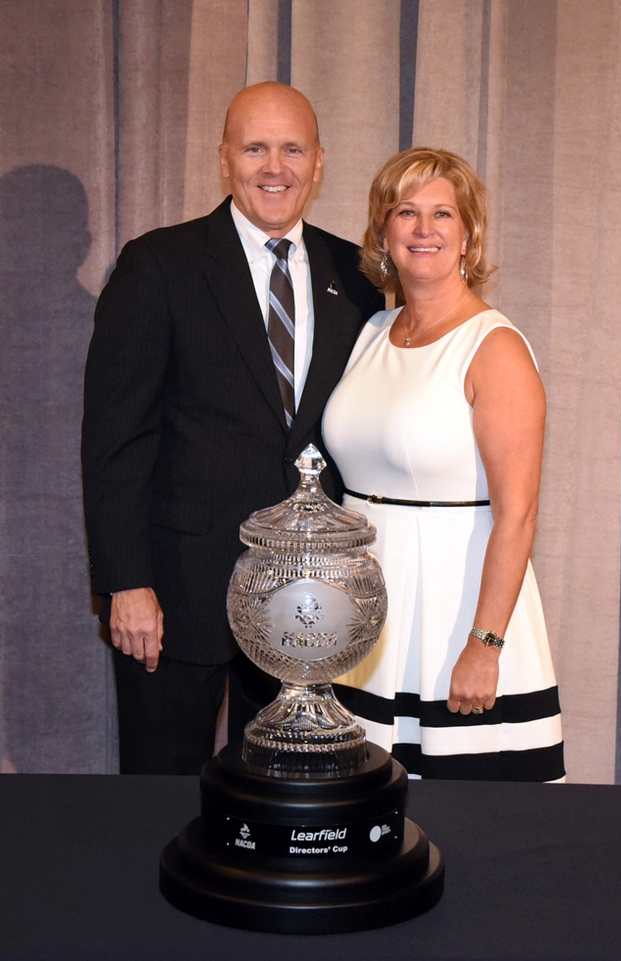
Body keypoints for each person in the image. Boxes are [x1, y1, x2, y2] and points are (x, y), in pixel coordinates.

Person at [82, 82, 382, 774]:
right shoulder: (158, 265)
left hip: (307, 599)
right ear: (224, 160)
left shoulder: (358, 276)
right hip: (179, 590)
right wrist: (126, 580)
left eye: (291, 149)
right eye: (254, 148)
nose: (273, 167)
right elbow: (114, 441)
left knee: (282, 794)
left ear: (319, 162)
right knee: (160, 792)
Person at [322, 147, 564, 781]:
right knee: (365, 819)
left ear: (467, 236)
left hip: (456, 613)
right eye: (406, 212)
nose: (423, 230)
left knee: (470, 825)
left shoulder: (496, 347)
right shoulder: (373, 331)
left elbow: (518, 516)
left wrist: (484, 647)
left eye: (442, 215)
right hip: (366, 610)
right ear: (383, 232)